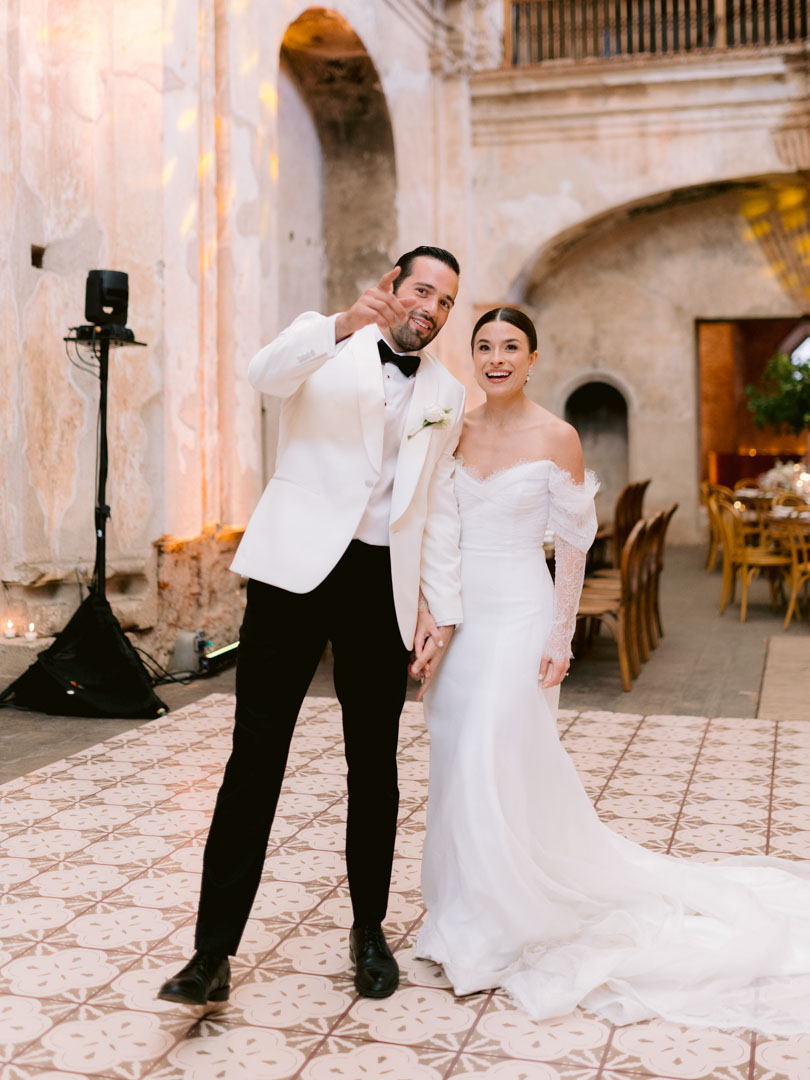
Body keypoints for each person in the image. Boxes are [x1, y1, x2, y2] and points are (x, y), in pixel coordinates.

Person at [412, 306, 810, 1036]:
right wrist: (431, 611)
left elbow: (573, 544)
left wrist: (561, 632)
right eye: (484, 346)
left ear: (533, 359)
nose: (497, 358)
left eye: (511, 347)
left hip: (523, 611)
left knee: (491, 748)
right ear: (472, 356)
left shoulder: (556, 436)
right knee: (457, 751)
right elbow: (435, 529)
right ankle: (460, 910)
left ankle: (496, 927)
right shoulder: (453, 429)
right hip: (464, 615)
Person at [158, 246, 466, 1007]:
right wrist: (342, 322)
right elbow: (264, 374)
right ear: (393, 287)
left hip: (380, 586)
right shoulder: (324, 340)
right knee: (255, 756)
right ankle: (211, 952)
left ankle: (370, 933)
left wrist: (439, 608)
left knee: (375, 765)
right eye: (422, 290)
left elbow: (434, 507)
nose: (431, 308)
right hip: (293, 573)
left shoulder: (447, 393)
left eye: (446, 301)